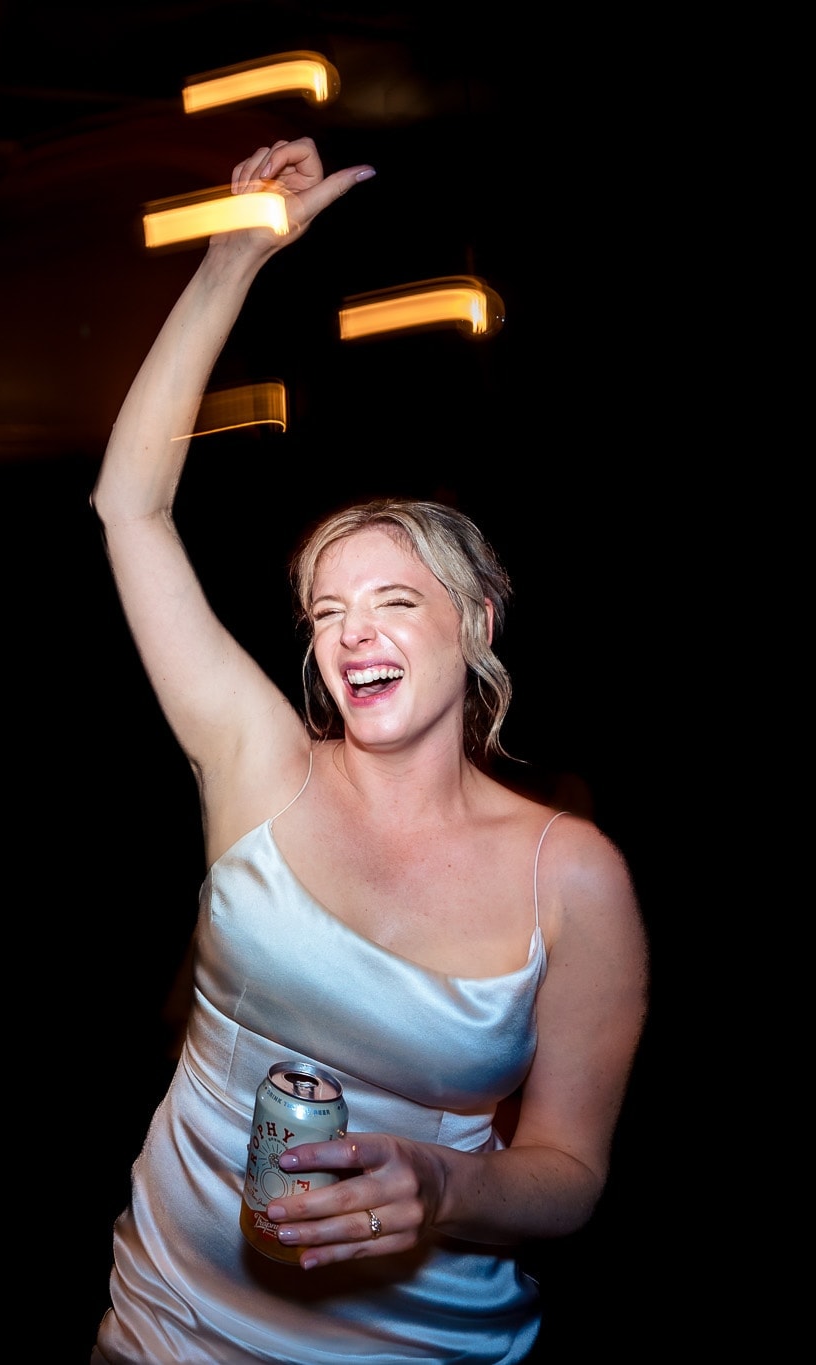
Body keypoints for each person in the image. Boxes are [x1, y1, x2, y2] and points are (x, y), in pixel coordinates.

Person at [88, 136, 649, 1363]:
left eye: (394, 600)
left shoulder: (572, 875)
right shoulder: (257, 763)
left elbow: (566, 1173)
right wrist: (232, 260)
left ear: (475, 625)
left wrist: (443, 1186)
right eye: (326, 611)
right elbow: (129, 507)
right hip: (169, 1319)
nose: (352, 633)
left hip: (415, 1344)